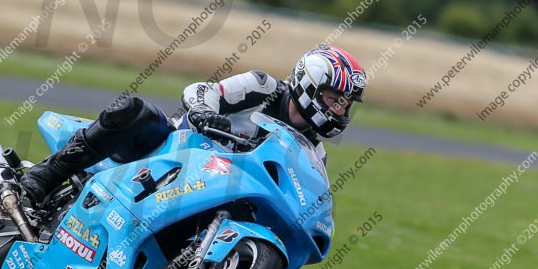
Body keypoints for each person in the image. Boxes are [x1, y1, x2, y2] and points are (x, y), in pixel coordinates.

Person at [19, 44, 366, 205]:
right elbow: (203, 90)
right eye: (334, 97)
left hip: (212, 188)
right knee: (135, 110)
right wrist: (203, 111)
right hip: (174, 147)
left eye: (345, 102)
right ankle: (45, 175)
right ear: (309, 84)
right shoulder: (263, 87)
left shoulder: (314, 152)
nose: (339, 107)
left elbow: (307, 197)